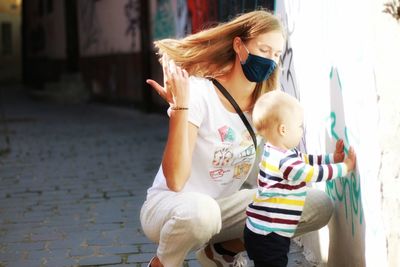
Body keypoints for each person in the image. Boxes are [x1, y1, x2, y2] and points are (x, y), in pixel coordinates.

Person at [140, 9, 335, 267]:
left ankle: (221, 251)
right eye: (264, 50)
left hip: (224, 210)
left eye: (276, 55)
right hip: (170, 208)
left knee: (316, 204)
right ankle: (164, 263)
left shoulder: (263, 108)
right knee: (203, 213)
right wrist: (180, 108)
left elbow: (273, 170)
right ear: (239, 46)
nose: (271, 61)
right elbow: (175, 180)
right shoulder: (199, 94)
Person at [243, 90, 357, 267]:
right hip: (269, 236)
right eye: (299, 126)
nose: (301, 130)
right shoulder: (284, 162)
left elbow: (307, 160)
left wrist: (332, 158)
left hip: (264, 231)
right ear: (283, 130)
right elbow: (311, 173)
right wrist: (345, 167)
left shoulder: (278, 152)